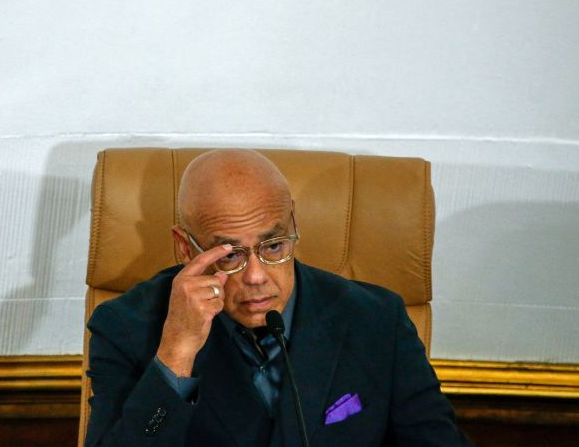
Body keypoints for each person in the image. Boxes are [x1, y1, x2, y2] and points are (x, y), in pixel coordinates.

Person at [85, 149, 472, 446]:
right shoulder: (125, 327)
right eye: (231, 255)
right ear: (185, 249)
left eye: (273, 246)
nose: (256, 277)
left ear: (294, 225)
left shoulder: (376, 318)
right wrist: (175, 355)